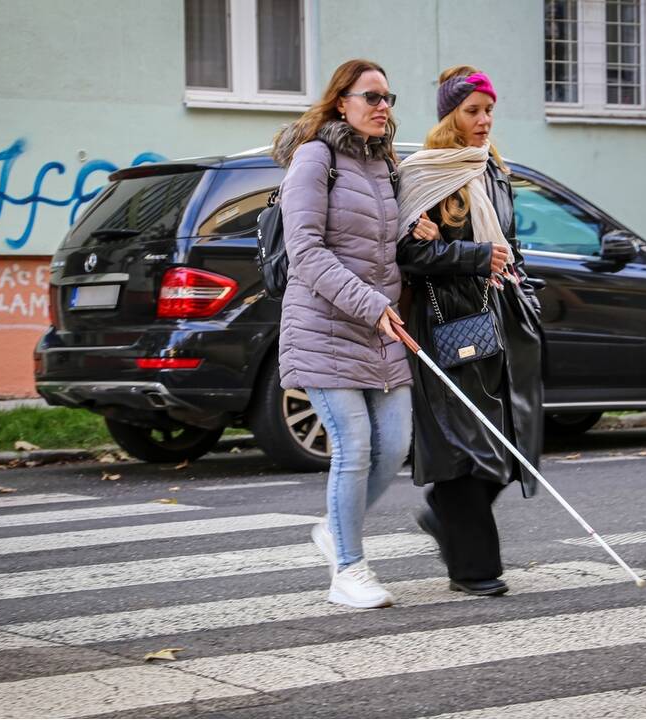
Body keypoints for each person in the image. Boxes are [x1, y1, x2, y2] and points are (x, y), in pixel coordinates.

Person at [396, 66, 543, 596]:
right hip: (445, 321)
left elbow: (508, 242)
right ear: (449, 116)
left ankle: (443, 516)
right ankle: (475, 569)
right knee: (465, 444)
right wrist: (478, 255)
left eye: (489, 111)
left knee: (508, 444)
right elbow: (410, 254)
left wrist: (517, 275)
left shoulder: (492, 168)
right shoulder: (428, 172)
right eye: (472, 111)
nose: (484, 122)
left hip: (498, 314)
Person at [272, 59, 412, 609]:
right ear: (341, 103)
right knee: (353, 447)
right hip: (325, 326)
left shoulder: (384, 166)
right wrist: (370, 304)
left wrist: (414, 229)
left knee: (395, 444)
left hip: (380, 328)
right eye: (371, 97)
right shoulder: (315, 158)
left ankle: (334, 529)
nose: (383, 107)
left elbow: (381, 246)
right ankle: (348, 570)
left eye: (388, 97)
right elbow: (306, 251)